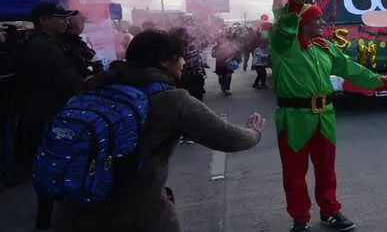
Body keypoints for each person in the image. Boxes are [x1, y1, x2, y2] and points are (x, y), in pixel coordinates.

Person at [52, 30, 265, 232]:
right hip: (134, 214)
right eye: (179, 57)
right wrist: (254, 131)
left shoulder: (93, 86)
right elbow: (229, 139)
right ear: (165, 61)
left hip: (71, 211)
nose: (183, 62)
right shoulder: (170, 100)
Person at [271, 0, 387, 232]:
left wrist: (379, 81)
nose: (321, 23)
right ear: (303, 22)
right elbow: (287, 20)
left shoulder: (324, 47)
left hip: (325, 117)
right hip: (293, 119)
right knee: (294, 173)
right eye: (316, 20)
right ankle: (300, 219)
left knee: (327, 171)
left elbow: (350, 68)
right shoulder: (283, 45)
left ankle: (330, 212)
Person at [16, 2, 82, 230]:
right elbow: (66, 80)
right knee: (54, 166)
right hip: (47, 115)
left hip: (49, 113)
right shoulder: (43, 47)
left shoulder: (51, 44)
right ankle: (49, 219)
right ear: (43, 20)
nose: (65, 21)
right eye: (59, 17)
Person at [58, 11, 99, 78]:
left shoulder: (78, 43)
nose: (83, 25)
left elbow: (94, 60)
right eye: (81, 22)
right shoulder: (65, 44)